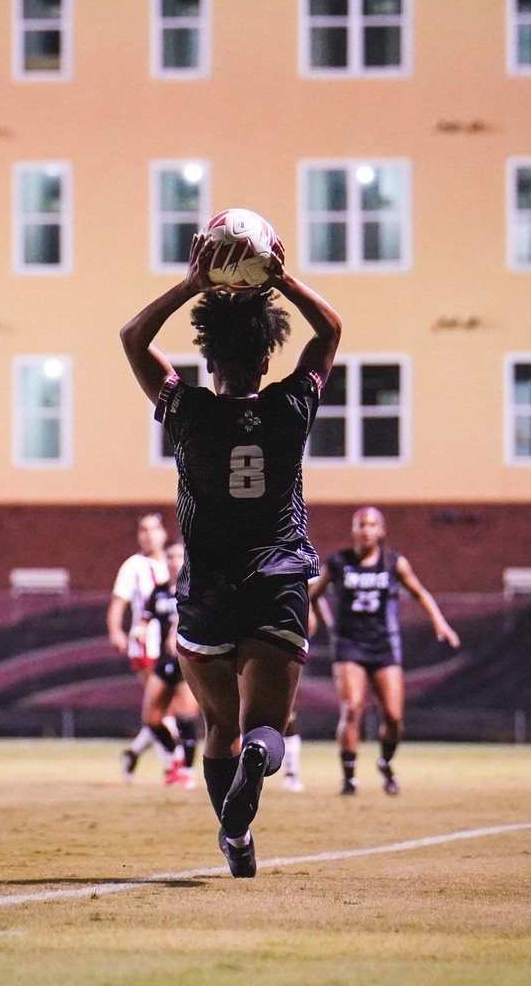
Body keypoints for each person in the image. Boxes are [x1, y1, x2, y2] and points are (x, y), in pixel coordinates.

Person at [120, 231, 341, 877]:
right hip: (277, 579)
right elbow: (329, 331)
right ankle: (258, 767)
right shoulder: (293, 405)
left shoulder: (186, 410)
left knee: (219, 728)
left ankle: (237, 842)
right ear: (267, 361)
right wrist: (283, 279)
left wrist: (193, 284)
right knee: (270, 726)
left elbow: (133, 338)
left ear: (208, 357)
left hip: (207, 589)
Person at [310, 506, 460, 797]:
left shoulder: (394, 563)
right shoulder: (339, 563)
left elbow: (420, 592)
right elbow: (312, 595)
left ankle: (385, 762)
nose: (366, 530)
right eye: (361, 524)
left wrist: (439, 622)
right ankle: (349, 776)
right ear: (353, 530)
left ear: (382, 531)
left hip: (383, 645)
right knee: (352, 707)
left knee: (392, 715)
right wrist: (325, 621)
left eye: (372, 525)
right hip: (349, 645)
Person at [105, 512, 175, 780]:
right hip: (147, 646)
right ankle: (174, 766)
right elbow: (118, 603)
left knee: (167, 710)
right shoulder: (133, 566)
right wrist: (116, 631)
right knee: (163, 708)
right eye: (143, 530)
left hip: (174, 647)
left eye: (153, 529)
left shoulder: (173, 562)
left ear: (163, 533)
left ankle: (134, 753)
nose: (148, 535)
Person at [140, 539, 202, 789]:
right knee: (151, 718)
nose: (174, 562)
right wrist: (139, 630)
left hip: (189, 661)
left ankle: (187, 771)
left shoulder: (196, 588)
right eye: (170, 557)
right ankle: (174, 755)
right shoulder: (160, 590)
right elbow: (146, 617)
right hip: (165, 660)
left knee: (187, 718)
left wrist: (179, 629)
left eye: (179, 557)